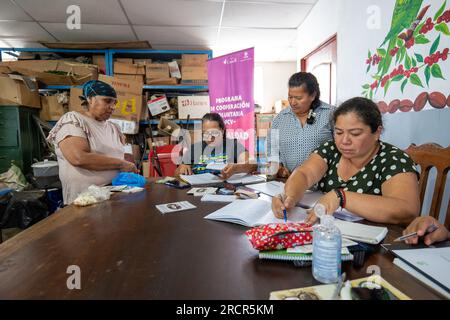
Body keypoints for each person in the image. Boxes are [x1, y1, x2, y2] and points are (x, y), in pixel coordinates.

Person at [272, 97, 420, 225]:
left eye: (355, 133)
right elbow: (304, 174)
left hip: (376, 246)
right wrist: (289, 197)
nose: (344, 141)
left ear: (377, 132)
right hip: (328, 234)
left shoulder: (393, 160)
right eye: (338, 132)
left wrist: (342, 197)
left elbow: (407, 209)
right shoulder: (331, 150)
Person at [47, 80, 138, 205]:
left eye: (114, 102)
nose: (113, 107)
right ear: (90, 99)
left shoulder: (113, 127)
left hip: (112, 194)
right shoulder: (74, 121)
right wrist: (121, 164)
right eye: (107, 101)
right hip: (85, 200)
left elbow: (119, 155)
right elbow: (78, 158)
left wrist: (127, 165)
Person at [266, 72, 335, 178]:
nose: (293, 102)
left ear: (312, 95)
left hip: (324, 185)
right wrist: (278, 168)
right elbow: (272, 151)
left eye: (298, 98)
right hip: (290, 183)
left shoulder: (331, 113)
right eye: (290, 97)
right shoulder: (280, 118)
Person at [175, 113, 257, 179]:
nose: (210, 137)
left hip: (227, 190)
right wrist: (182, 167)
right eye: (206, 133)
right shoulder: (195, 148)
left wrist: (236, 168)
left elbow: (252, 164)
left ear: (222, 131)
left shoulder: (233, 145)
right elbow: (176, 173)